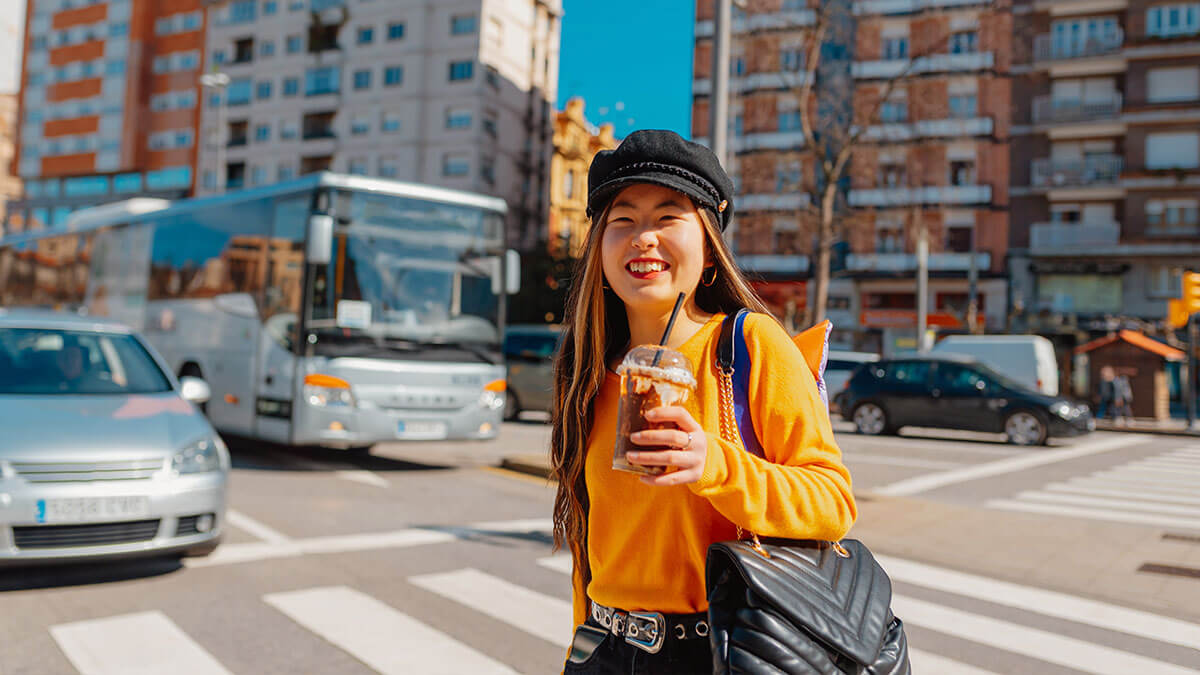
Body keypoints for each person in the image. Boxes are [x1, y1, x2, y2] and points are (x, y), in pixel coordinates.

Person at [549, 130, 856, 673]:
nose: (644, 237)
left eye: (668, 217)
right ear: (599, 250)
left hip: (718, 651)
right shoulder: (587, 371)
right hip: (605, 647)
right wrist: (580, 648)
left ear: (710, 252)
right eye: (622, 220)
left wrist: (711, 462)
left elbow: (832, 503)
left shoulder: (749, 345)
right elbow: (588, 545)